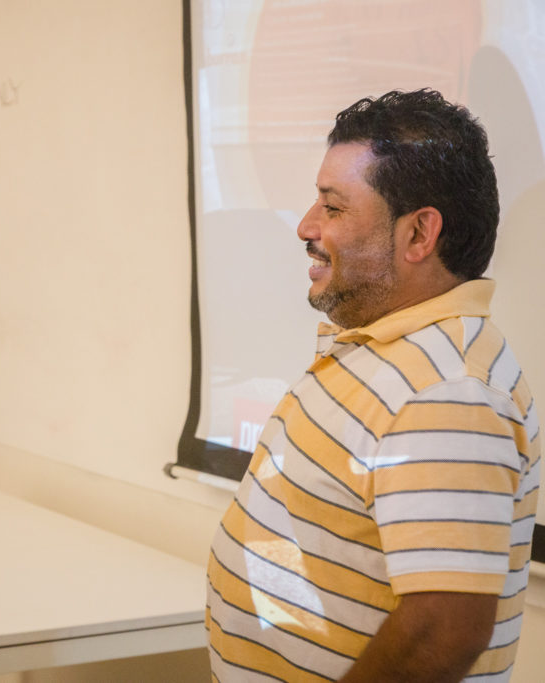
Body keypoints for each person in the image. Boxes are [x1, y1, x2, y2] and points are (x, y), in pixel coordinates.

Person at [206, 89, 540, 682]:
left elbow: (446, 628)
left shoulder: (450, 393)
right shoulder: (390, 346)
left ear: (418, 235)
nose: (306, 225)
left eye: (333, 208)